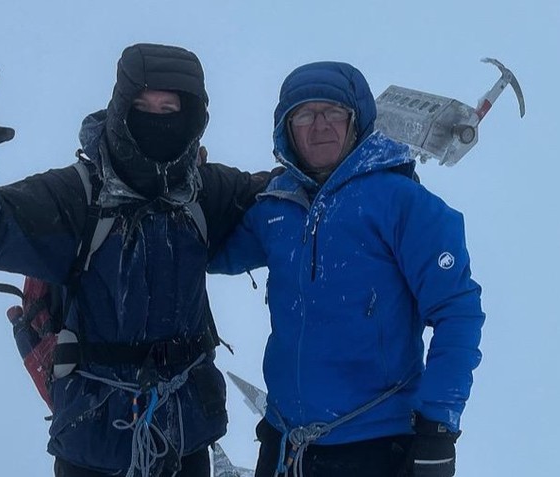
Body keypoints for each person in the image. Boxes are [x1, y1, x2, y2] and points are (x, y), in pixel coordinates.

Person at [0, 44, 276, 477]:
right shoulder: (76, 196)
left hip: (185, 440)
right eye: (143, 106)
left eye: (170, 108)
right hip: (93, 446)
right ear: (119, 109)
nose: (157, 118)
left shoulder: (204, 191)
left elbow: (278, 197)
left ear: (193, 118)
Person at [208, 61, 486, 477]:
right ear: (286, 129)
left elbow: (457, 311)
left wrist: (438, 428)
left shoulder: (402, 203)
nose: (320, 126)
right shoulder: (277, 208)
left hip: (376, 448)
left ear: (357, 122)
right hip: (284, 444)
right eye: (304, 115)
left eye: (333, 113)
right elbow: (214, 253)